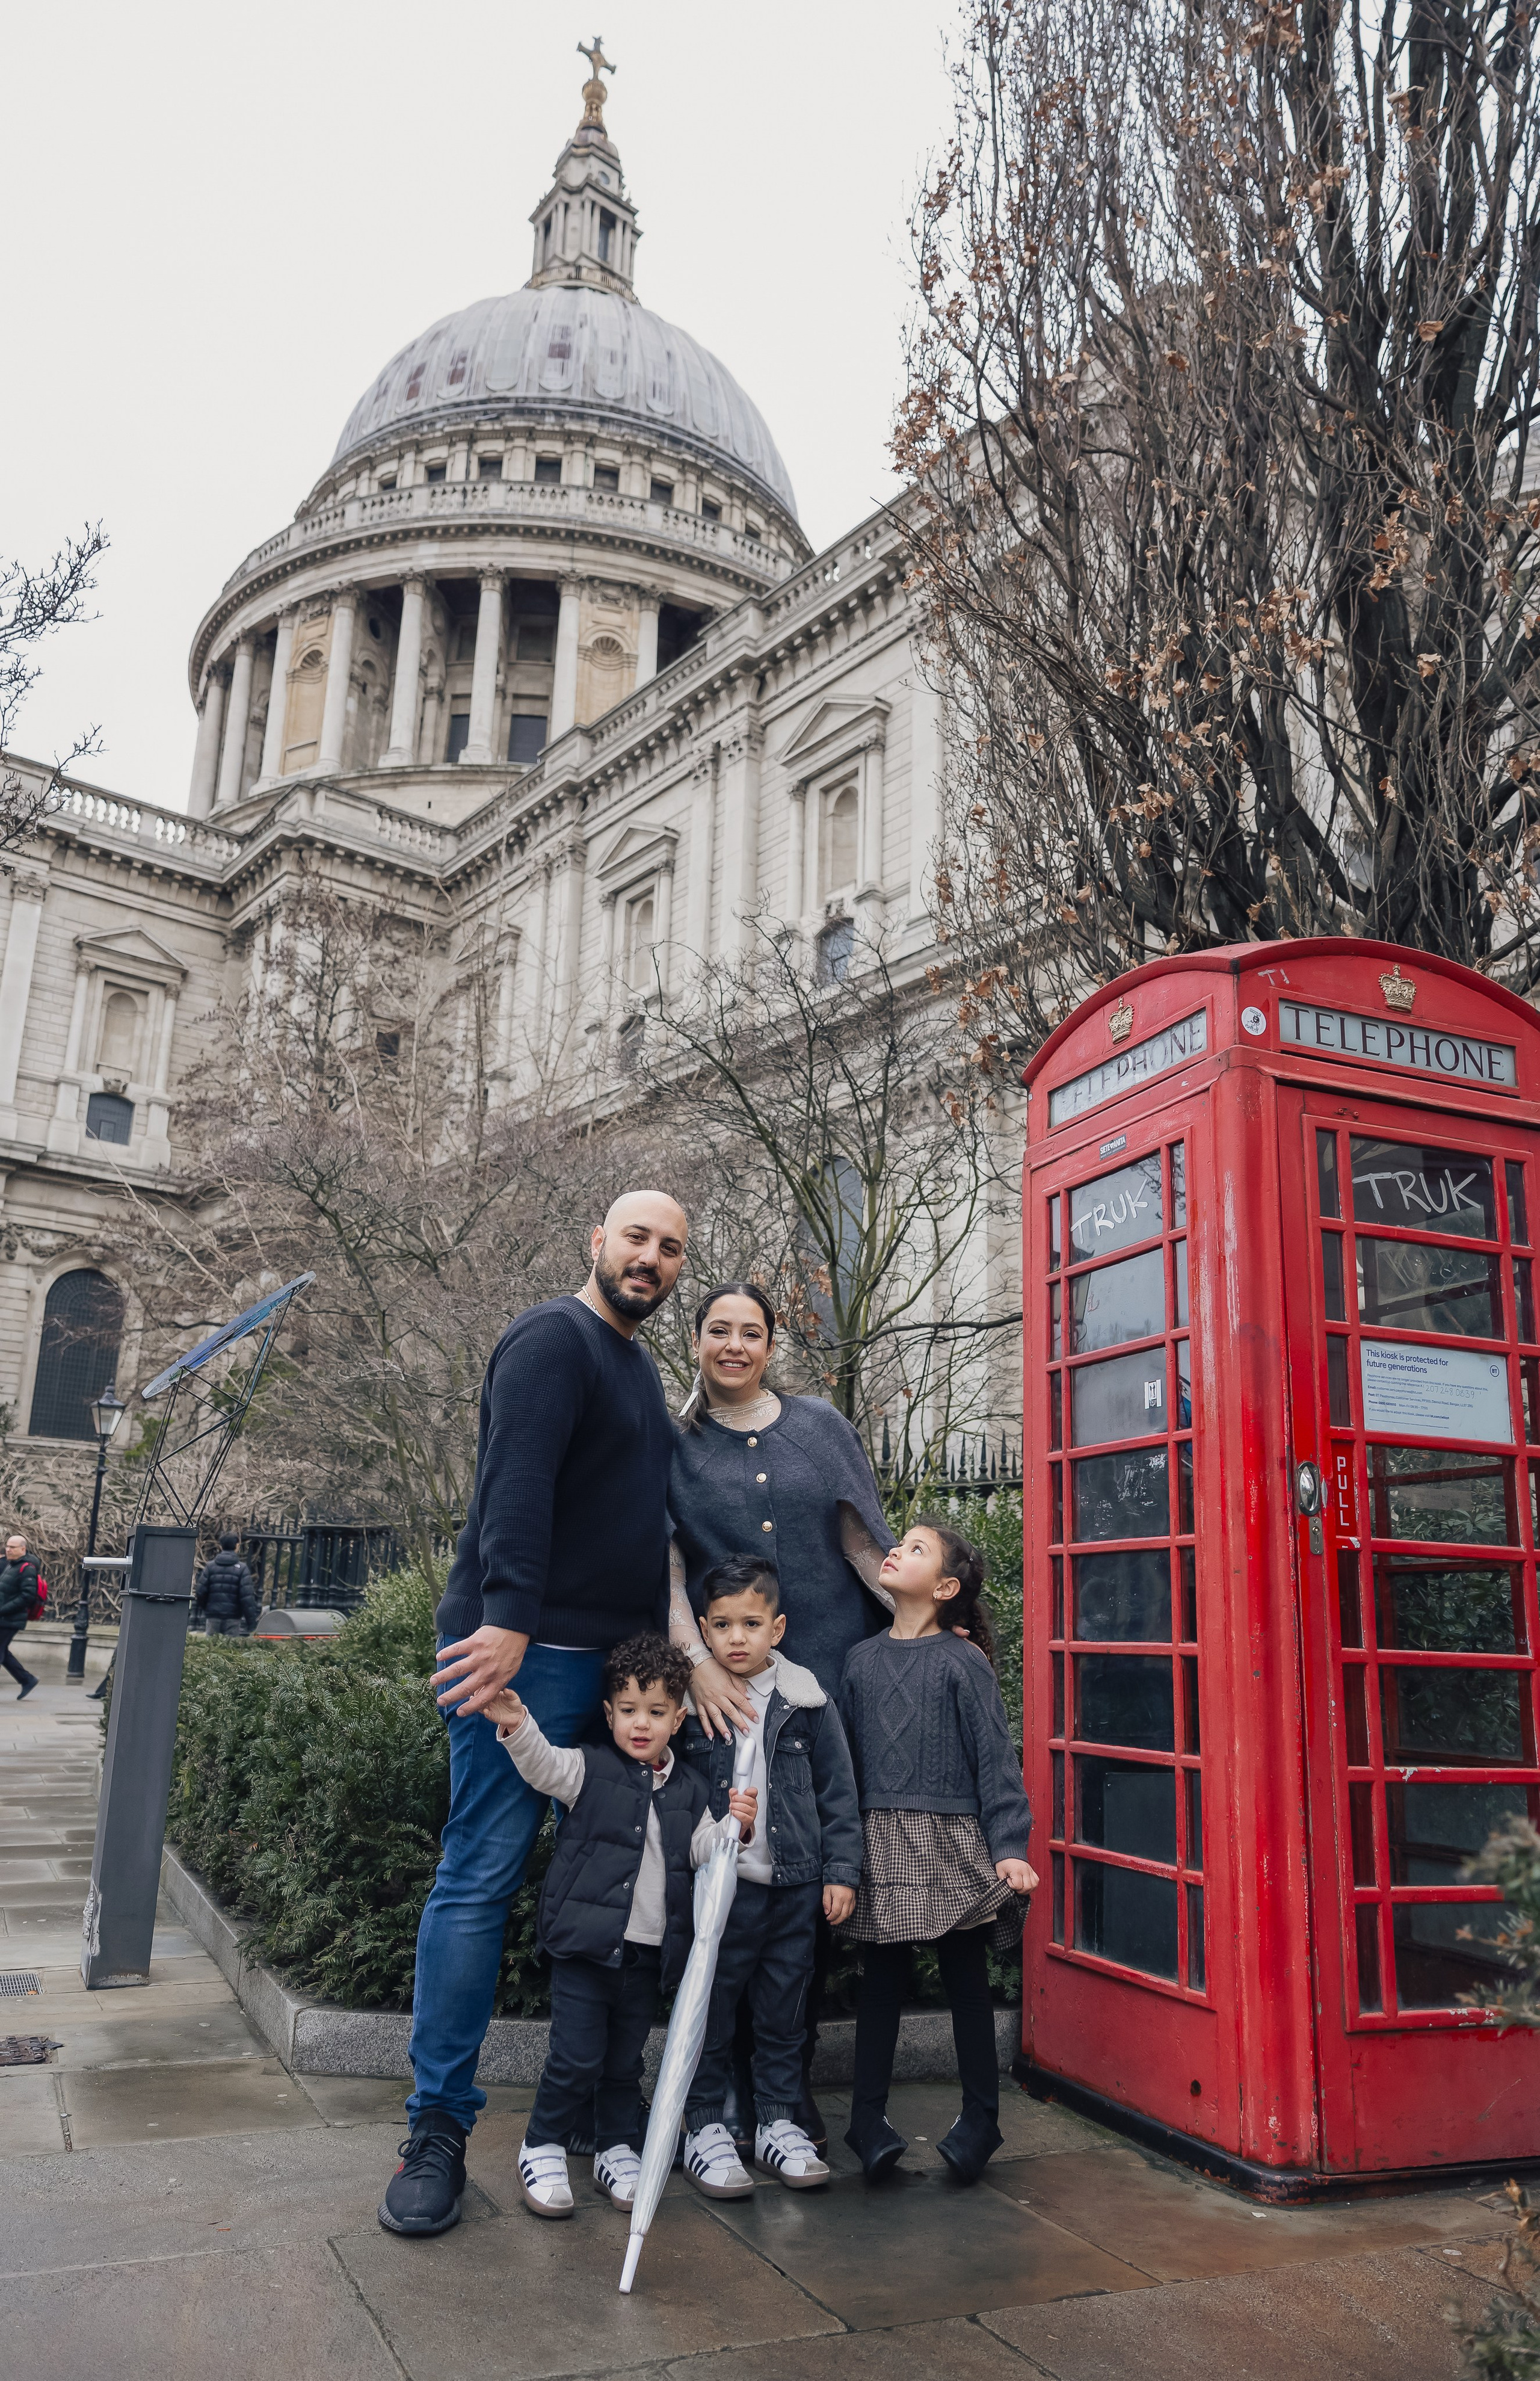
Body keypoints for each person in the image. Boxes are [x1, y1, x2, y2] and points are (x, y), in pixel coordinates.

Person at [378, 1188, 689, 2240]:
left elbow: (637, 1521)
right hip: (526, 1655)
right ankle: (436, 2131)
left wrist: (660, 1663)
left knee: (605, 1892)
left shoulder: (640, 1369)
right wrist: (507, 1614)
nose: (650, 1258)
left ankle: (592, 2116)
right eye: (635, 1238)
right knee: (479, 1876)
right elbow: (514, 1480)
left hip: (611, 1667)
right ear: (596, 1242)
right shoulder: (552, 1338)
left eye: (670, 1248)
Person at [667, 1280, 895, 2149]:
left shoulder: (821, 1427)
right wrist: (694, 1669)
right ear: (696, 1342)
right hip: (730, 1691)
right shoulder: (674, 1444)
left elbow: (864, 1544)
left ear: (771, 1343)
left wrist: (931, 1630)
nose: (734, 1344)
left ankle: (788, 2092)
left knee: (810, 1889)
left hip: (824, 1682)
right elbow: (669, 1567)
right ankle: (718, 2098)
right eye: (718, 1330)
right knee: (730, 1896)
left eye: (750, 1331)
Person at [485, 1632, 754, 2219]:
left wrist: (735, 1827)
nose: (641, 1724)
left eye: (656, 1712)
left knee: (623, 2063)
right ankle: (543, 2144)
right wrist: (516, 1724)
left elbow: (704, 1851)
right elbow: (543, 1766)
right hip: (586, 1949)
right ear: (609, 1714)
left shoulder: (688, 1790)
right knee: (576, 2056)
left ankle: (615, 2148)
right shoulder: (590, 1769)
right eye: (628, 1710)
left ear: (677, 1718)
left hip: (647, 1955)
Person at [836, 1517, 1036, 2187]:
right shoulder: (860, 1661)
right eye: (900, 1543)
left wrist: (1009, 1846)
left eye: (915, 1548)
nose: (895, 1549)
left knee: (966, 1985)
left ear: (945, 1585)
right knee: (882, 1986)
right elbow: (843, 1771)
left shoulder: (962, 1661)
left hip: (952, 1842)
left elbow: (993, 1759)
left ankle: (982, 2119)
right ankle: (867, 2121)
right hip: (881, 1841)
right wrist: (840, 1853)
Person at [680, 1552, 863, 2197]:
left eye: (750, 1624)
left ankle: (778, 2124)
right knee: (713, 2012)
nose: (736, 1638)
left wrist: (841, 1873)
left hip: (794, 1888)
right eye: (723, 1625)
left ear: (776, 1630)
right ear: (703, 1629)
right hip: (720, 1895)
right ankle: (703, 2127)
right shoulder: (690, 1704)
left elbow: (838, 1793)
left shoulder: (806, 1699)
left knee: (784, 2016)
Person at [0, 1536, 41, 1700]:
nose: (9, 1549)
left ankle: (27, 1679)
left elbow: (27, 1596)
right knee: (3, 1652)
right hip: (4, 1617)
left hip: (10, 1619)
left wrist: (3, 1609)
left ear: (23, 1549)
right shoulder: (12, 1566)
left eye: (13, 1547)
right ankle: (27, 1679)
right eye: (8, 1546)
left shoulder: (27, 1568)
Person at [194, 1534, 260, 1636]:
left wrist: (208, 1608)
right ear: (237, 1546)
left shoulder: (210, 1567)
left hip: (213, 1615)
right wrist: (251, 1623)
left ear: (221, 1546)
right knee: (230, 1649)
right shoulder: (242, 1569)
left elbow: (201, 1591)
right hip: (233, 1617)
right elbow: (247, 1597)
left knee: (211, 1648)